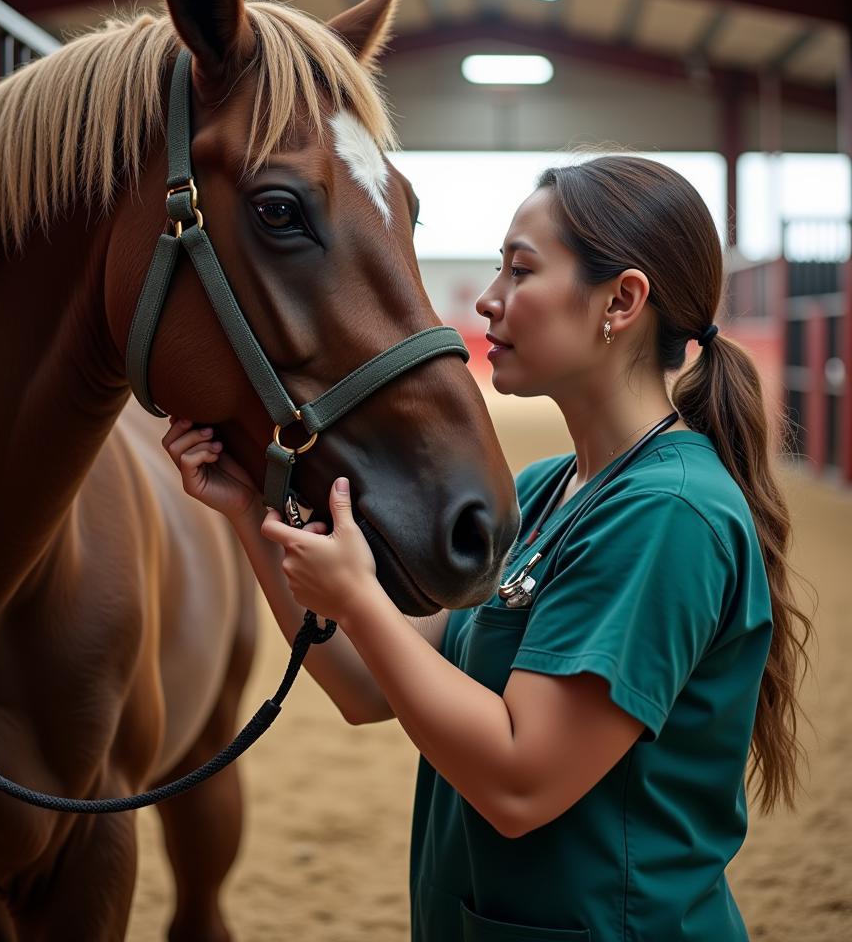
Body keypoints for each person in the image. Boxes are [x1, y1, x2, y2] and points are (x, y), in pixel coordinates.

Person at [161, 155, 811, 941]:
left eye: (520, 270)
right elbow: (370, 687)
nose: (487, 299)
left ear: (622, 300)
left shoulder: (667, 515)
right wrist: (249, 516)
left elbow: (519, 782)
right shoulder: (547, 489)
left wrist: (361, 598)